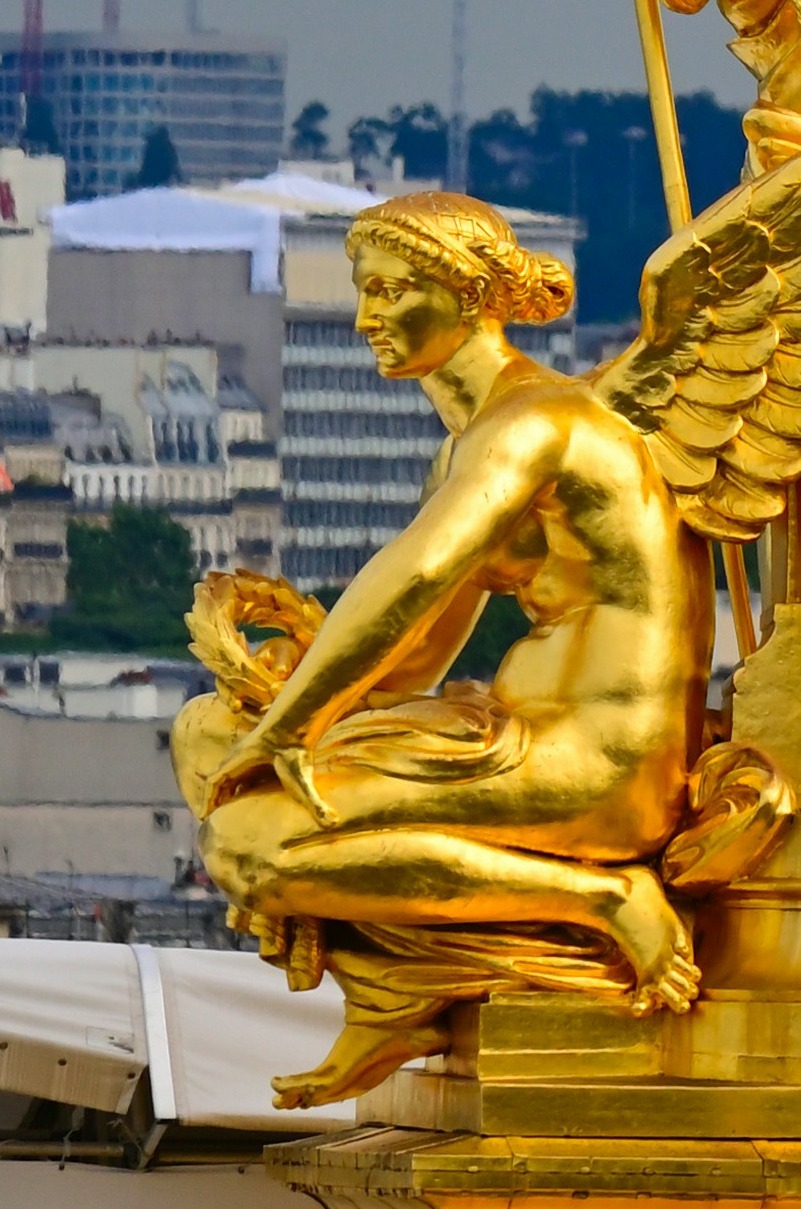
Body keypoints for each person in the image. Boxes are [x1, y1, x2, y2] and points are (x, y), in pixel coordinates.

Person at [179, 191, 712, 1099]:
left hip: (600, 765)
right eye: (364, 291)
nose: (364, 318)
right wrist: (287, 690)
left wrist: (292, 725)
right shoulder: (476, 444)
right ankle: (398, 993)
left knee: (248, 846)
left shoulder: (536, 424)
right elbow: (421, 653)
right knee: (203, 731)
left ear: (467, 297)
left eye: (388, 291)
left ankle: (609, 901)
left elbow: (415, 575)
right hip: (516, 732)